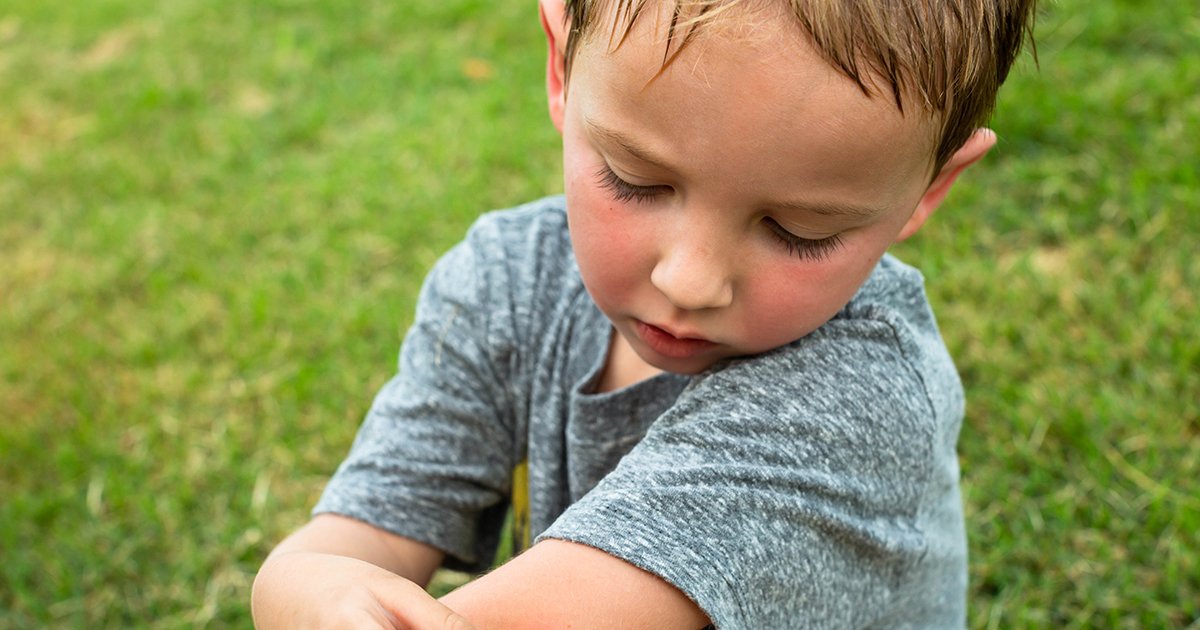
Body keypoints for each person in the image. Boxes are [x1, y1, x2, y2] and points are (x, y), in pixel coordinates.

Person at [251, 0, 1037, 627]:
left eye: (801, 230)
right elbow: (354, 537)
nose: (691, 281)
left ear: (930, 186)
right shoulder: (506, 282)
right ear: (562, 66)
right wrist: (304, 588)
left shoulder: (859, 401)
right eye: (635, 180)